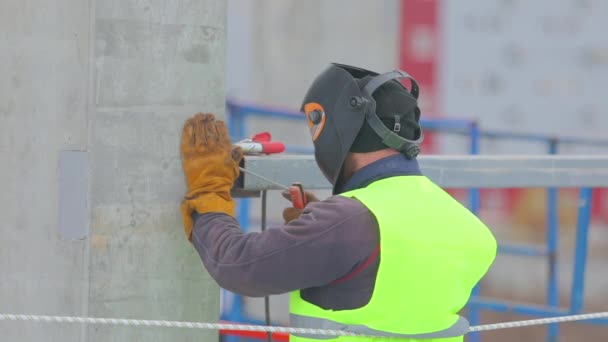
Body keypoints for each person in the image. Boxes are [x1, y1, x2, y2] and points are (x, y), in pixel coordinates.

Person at [179, 63, 497, 341]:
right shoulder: (471, 230)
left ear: (345, 125)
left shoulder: (349, 222)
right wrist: (319, 228)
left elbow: (237, 264)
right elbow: (390, 287)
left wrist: (209, 191)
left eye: (317, 123)